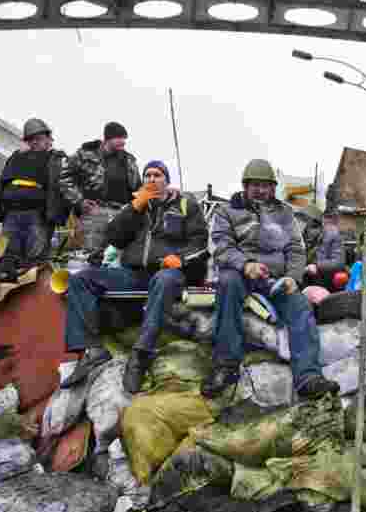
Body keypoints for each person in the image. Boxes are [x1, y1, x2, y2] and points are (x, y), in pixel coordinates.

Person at [61, 160, 208, 392]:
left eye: (157, 175)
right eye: (147, 175)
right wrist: (135, 207)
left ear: (166, 181)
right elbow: (114, 237)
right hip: (134, 274)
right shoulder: (136, 208)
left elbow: (200, 242)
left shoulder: (184, 204)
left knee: (164, 279)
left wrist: (180, 259)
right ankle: (92, 350)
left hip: (170, 274)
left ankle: (141, 354)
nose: (151, 179)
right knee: (81, 279)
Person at [202, 159, 339, 399]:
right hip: (240, 274)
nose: (260, 189)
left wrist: (293, 278)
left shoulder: (285, 213)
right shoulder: (227, 211)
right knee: (228, 282)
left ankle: (308, 377)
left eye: (265, 185)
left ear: (272, 187)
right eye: (254, 184)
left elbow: (296, 249)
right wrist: (245, 265)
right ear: (245, 186)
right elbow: (220, 245)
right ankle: (226, 365)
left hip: (276, 278)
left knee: (299, 305)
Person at [0, 118, 68, 269]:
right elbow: (3, 182)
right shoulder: (16, 157)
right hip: (12, 213)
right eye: (31, 139)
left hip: (39, 215)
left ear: (49, 140)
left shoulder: (56, 159)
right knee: (7, 257)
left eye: (39, 138)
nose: (35, 142)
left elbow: (64, 186)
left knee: (34, 260)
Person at [60, 122, 141, 253]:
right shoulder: (84, 154)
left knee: (118, 256)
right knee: (93, 254)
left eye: (124, 138)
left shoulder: (129, 160)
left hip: (122, 214)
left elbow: (138, 188)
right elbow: (64, 178)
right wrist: (79, 202)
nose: (123, 142)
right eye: (119, 138)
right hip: (95, 213)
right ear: (107, 139)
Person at [305, 210, 347, 291]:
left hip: (326, 282)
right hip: (312, 281)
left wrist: (317, 266)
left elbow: (338, 262)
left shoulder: (333, 236)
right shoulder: (310, 239)